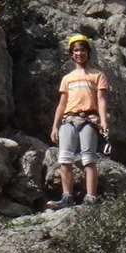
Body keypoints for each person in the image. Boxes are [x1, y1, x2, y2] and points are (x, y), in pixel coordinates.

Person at [46, 34, 111, 210]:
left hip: (88, 120)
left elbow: (102, 99)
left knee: (88, 159)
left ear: (88, 52)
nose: (79, 53)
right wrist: (55, 126)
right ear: (71, 54)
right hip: (69, 119)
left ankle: (91, 198)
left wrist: (103, 121)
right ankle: (66, 197)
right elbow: (62, 104)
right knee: (64, 159)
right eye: (76, 50)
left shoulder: (98, 75)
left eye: (82, 49)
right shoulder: (67, 78)